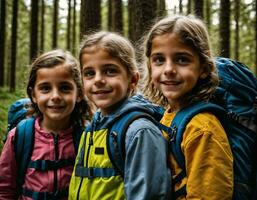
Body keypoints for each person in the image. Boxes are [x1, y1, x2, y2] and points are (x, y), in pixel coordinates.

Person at [68, 31, 171, 200]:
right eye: (89, 73)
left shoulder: (140, 131)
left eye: (110, 71)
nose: (98, 80)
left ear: (133, 79)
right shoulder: (92, 126)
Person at [142, 15, 234, 199]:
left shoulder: (202, 128)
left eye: (182, 59)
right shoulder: (170, 113)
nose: (168, 69)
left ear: (204, 69)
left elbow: (210, 195)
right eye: (159, 60)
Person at [0, 49, 91, 200]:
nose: (55, 96)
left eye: (64, 88)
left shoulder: (86, 137)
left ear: (79, 93)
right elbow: (4, 190)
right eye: (45, 88)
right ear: (34, 95)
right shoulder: (20, 136)